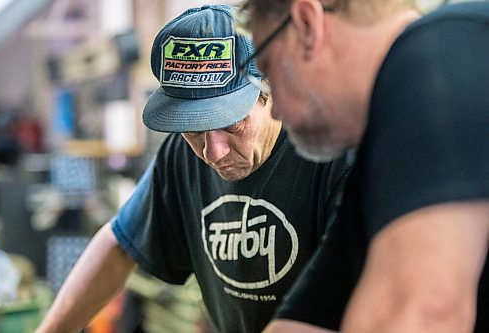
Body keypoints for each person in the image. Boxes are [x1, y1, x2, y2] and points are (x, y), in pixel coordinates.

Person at [35, 4, 354, 333]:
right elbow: (120, 244)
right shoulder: (181, 156)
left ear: (272, 88)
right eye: (194, 129)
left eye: (232, 124)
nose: (213, 152)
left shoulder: (336, 154)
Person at [239, 0, 489, 332]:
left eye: (268, 70)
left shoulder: (440, 52)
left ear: (307, 25)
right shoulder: (382, 167)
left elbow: (422, 313)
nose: (276, 111)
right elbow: (308, 319)